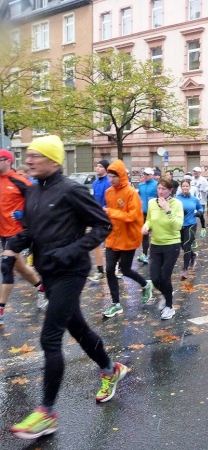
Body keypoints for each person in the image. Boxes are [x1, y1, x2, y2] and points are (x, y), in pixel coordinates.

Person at [3, 136, 127, 439]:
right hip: (48, 271)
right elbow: (32, 231)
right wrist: (12, 247)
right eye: (27, 155)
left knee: (50, 337)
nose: (28, 160)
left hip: (71, 272)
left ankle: (47, 413)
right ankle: (110, 369)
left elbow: (103, 225)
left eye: (35, 155)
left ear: (53, 159)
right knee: (78, 329)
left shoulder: (72, 190)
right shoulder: (34, 190)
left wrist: (71, 250)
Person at [0, 149, 47, 326]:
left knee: (6, 266)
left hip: (17, 233)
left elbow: (38, 202)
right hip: (3, 232)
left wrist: (24, 214)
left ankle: (0, 310)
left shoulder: (19, 181)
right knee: (20, 267)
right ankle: (41, 287)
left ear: (8, 161)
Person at [101, 160, 154, 318]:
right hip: (112, 237)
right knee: (109, 269)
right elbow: (109, 214)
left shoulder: (131, 193)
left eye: (114, 177)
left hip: (128, 238)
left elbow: (132, 216)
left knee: (125, 270)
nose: (111, 180)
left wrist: (110, 212)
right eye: (109, 177)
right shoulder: (109, 192)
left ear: (121, 176)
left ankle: (145, 284)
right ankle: (116, 304)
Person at [142, 178, 183, 320]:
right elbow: (149, 219)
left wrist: (168, 210)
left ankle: (169, 307)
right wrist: (146, 226)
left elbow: (177, 226)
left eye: (164, 189)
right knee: (154, 278)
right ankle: (167, 292)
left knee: (165, 277)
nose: (160, 191)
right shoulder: (152, 203)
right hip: (156, 244)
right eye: (159, 188)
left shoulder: (176, 204)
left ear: (170, 190)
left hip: (172, 244)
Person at [88, 160, 112, 282]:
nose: (97, 168)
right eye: (97, 166)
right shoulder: (95, 183)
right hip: (97, 217)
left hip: (109, 216)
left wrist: (107, 208)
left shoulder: (109, 182)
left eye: (100, 166)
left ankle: (117, 268)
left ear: (106, 169)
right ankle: (100, 271)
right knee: (96, 243)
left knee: (112, 244)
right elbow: (93, 199)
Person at [176, 179, 203, 280]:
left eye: (187, 186)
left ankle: (185, 270)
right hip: (179, 225)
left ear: (190, 187)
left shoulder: (194, 199)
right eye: (183, 186)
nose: (185, 188)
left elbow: (200, 208)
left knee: (187, 245)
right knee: (183, 245)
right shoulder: (176, 199)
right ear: (181, 187)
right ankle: (193, 255)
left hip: (191, 224)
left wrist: (199, 213)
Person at [137, 168, 158, 264]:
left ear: (152, 175)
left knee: (155, 233)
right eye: (145, 174)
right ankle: (144, 254)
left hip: (154, 212)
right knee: (144, 233)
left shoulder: (156, 185)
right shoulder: (141, 185)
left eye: (148, 174)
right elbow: (138, 196)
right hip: (143, 212)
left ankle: (156, 255)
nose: (146, 176)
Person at [191, 167, 208, 237]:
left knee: (201, 215)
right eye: (194, 171)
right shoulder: (191, 179)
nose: (195, 173)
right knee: (193, 215)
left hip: (201, 200)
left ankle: (203, 228)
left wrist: (204, 190)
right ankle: (192, 230)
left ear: (200, 172)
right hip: (193, 200)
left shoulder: (203, 179)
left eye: (197, 171)